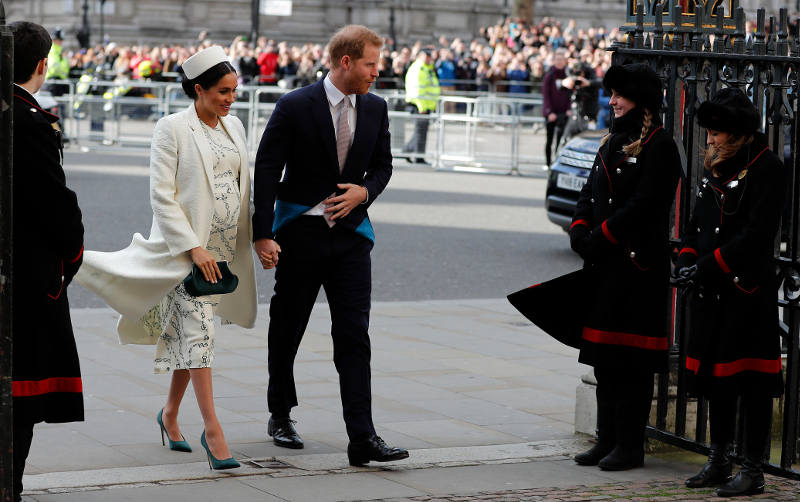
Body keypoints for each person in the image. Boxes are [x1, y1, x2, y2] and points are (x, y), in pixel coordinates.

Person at [75, 46, 257, 470]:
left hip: (225, 251)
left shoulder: (237, 127)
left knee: (190, 334)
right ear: (199, 89)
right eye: (223, 92)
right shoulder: (171, 128)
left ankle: (170, 415)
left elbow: (242, 185)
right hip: (186, 253)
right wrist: (192, 247)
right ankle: (213, 430)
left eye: (234, 90)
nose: (231, 99)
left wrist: (258, 238)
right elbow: (162, 196)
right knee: (199, 335)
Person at [252, 24, 407, 467]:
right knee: (288, 326)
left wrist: (364, 192)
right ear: (346, 62)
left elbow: (383, 166)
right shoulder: (295, 104)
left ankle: (363, 436)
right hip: (300, 235)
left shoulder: (376, 108)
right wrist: (263, 233)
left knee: (354, 334)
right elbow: (266, 170)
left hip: (352, 237)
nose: (378, 71)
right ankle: (279, 413)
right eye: (371, 63)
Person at [569, 63, 681, 470]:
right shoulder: (612, 140)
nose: (611, 101)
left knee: (631, 362)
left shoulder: (660, 144)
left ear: (642, 99)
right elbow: (589, 191)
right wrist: (580, 232)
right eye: (611, 93)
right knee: (605, 358)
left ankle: (630, 445)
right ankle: (607, 439)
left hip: (636, 268)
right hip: (605, 266)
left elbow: (646, 205)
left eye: (620, 94)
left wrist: (601, 238)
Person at [675, 88, 786, 497]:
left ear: (737, 133)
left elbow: (757, 235)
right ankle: (719, 459)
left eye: (716, 133)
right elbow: (696, 221)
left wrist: (707, 266)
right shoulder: (717, 165)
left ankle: (753, 469)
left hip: (744, 291)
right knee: (715, 380)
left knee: (753, 386)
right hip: (710, 290)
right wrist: (687, 257)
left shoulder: (768, 167)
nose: (708, 139)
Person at [9, 21, 85, 502]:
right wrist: (72, 256)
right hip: (24, 280)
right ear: (42, 65)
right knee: (19, 396)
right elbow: (58, 210)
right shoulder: (31, 123)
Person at [402, 49, 440, 165]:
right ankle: (419, 157)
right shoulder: (418, 68)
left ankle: (407, 151)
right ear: (420, 56)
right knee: (420, 132)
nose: (429, 58)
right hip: (420, 105)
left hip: (425, 105)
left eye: (430, 56)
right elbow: (418, 90)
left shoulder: (426, 68)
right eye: (427, 56)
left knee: (421, 131)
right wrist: (422, 106)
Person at [542, 50, 571, 166]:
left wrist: (569, 109)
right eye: (557, 60)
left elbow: (571, 95)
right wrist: (550, 112)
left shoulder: (568, 76)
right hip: (551, 114)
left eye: (561, 60)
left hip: (563, 114)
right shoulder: (549, 76)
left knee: (561, 140)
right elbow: (546, 95)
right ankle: (548, 163)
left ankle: (557, 162)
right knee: (549, 140)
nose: (559, 62)